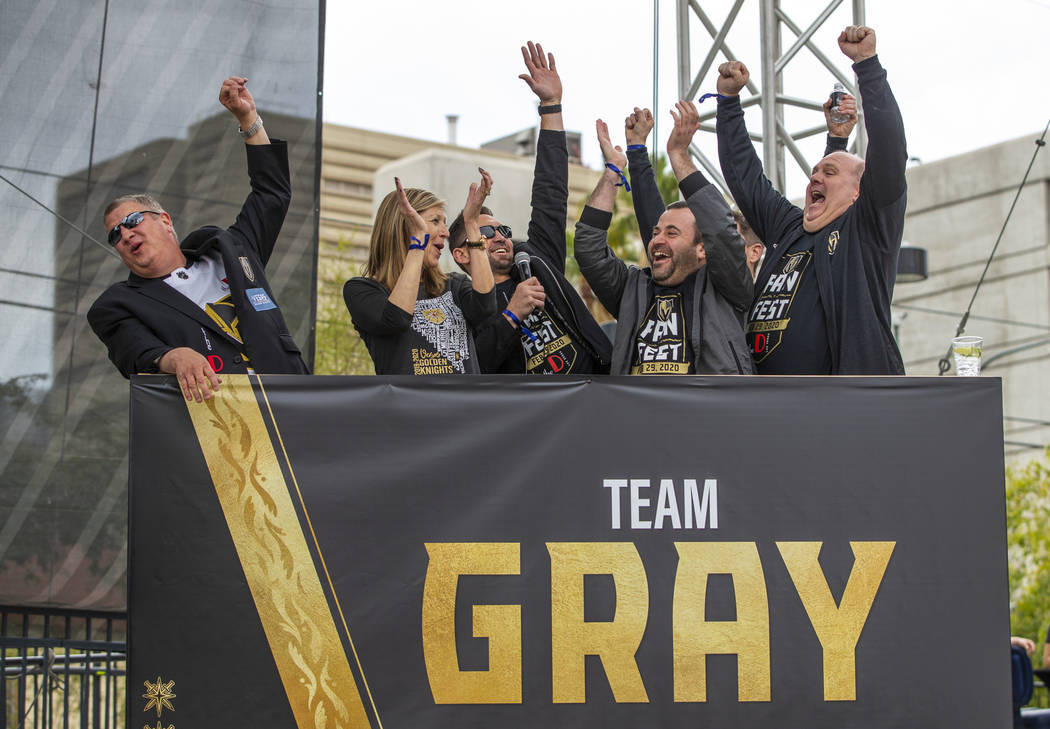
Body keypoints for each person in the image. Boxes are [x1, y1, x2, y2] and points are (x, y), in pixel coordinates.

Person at [88, 76, 308, 403]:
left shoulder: (230, 250)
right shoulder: (117, 304)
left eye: (132, 221)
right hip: (220, 424)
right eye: (115, 234)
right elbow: (132, 350)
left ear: (164, 221)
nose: (125, 234)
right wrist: (173, 357)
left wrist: (248, 119)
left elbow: (272, 194)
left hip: (295, 403)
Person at [715, 25, 907, 374]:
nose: (815, 177)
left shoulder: (865, 231)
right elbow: (746, 180)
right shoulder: (789, 228)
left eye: (829, 173)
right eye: (814, 172)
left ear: (858, 194)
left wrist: (867, 65)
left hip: (840, 411)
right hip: (766, 411)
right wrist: (728, 103)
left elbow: (891, 152)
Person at [447, 42, 611, 375]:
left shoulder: (537, 262)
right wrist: (512, 313)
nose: (500, 238)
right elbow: (474, 366)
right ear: (462, 254)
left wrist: (551, 106)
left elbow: (551, 193)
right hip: (533, 418)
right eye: (486, 233)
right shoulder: (463, 303)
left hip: (594, 396)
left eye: (503, 231)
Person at [573, 102, 753, 375]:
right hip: (638, 415)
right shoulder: (632, 290)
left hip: (707, 415)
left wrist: (677, 154)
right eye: (656, 232)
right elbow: (588, 250)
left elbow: (720, 228)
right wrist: (613, 171)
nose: (657, 239)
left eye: (672, 233)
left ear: (702, 250)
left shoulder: (725, 289)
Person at [343, 172, 496, 375]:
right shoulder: (362, 290)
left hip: (463, 405)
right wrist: (417, 243)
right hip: (409, 406)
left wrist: (472, 225)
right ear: (405, 226)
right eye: (435, 221)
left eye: (445, 222)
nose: (446, 232)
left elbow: (486, 306)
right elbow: (396, 319)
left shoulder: (453, 285)